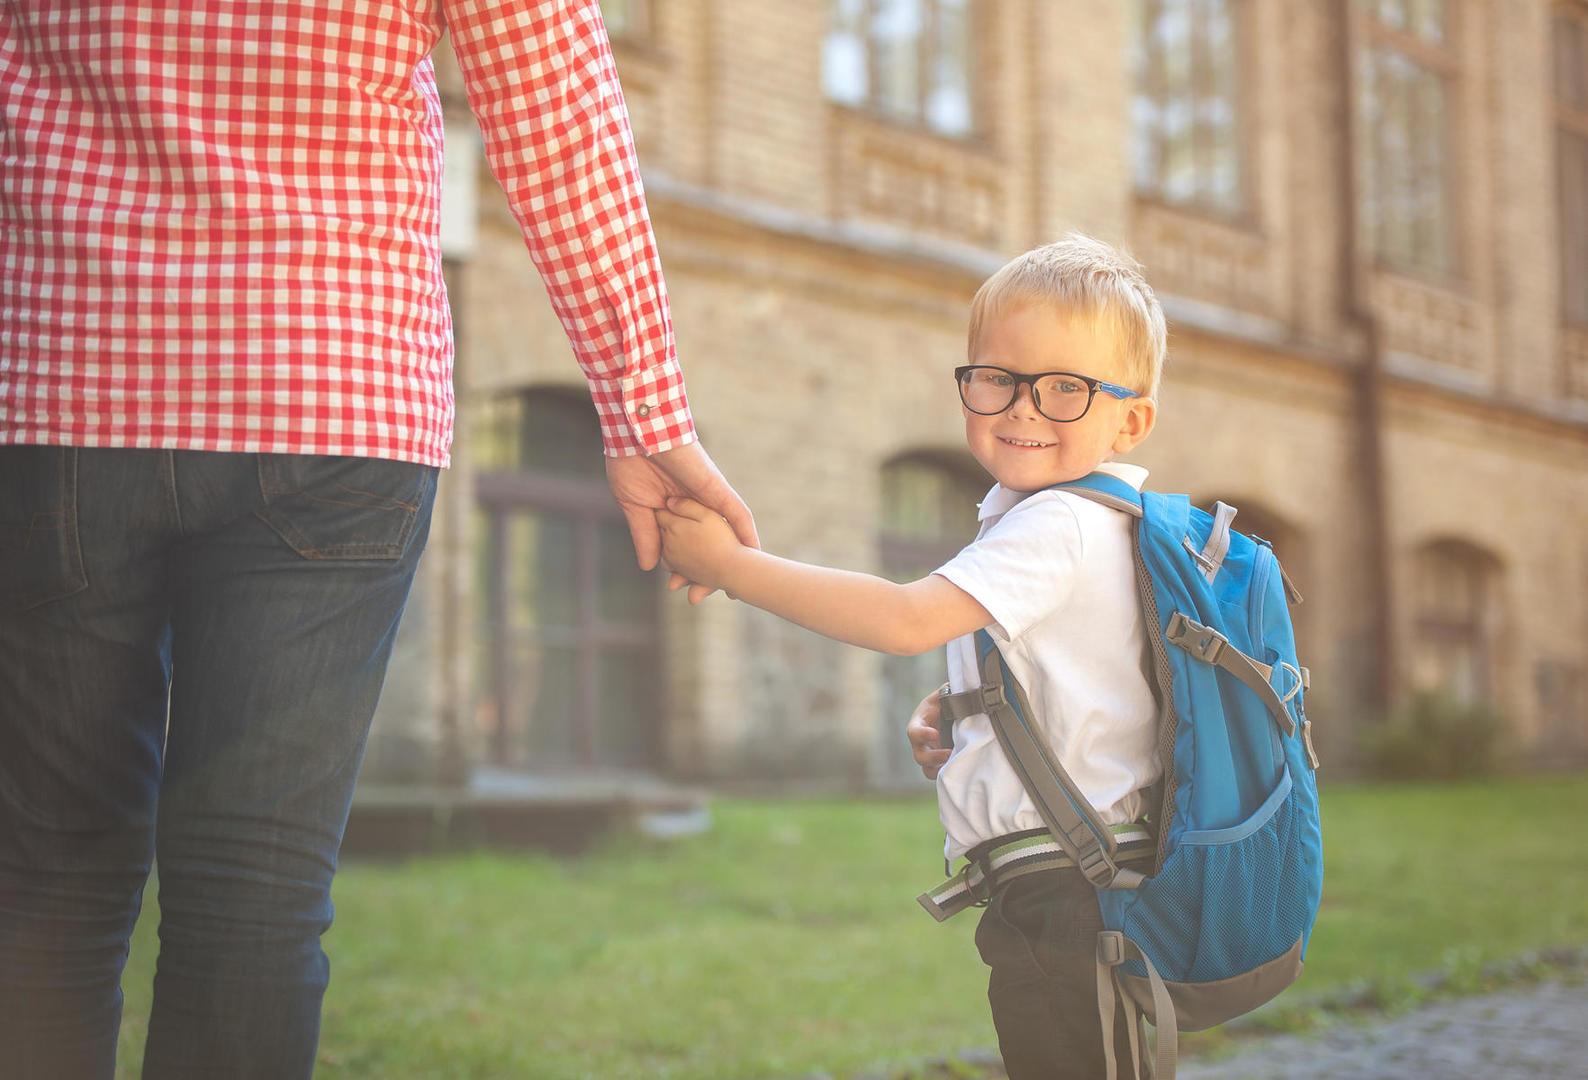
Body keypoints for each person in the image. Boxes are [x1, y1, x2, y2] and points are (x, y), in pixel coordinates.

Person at [0, 3, 752, 1077]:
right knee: (255, 891)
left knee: (47, 879)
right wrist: (645, 413)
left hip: (61, 380)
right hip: (333, 386)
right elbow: (558, 114)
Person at [658, 234, 1167, 1079]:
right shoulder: (1086, 519)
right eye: (998, 377)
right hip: (1086, 880)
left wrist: (733, 568)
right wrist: (964, 713)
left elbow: (902, 619)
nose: (1022, 409)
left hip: (1066, 889)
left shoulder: (1057, 523)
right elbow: (1090, 681)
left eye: (1065, 389)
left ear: (1131, 419)